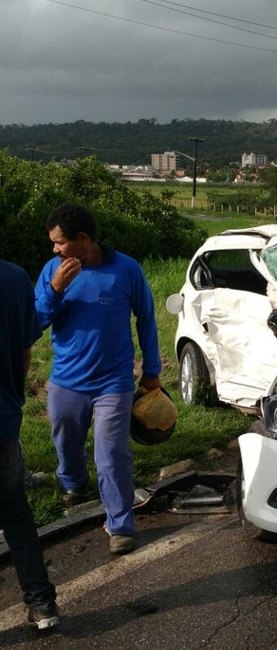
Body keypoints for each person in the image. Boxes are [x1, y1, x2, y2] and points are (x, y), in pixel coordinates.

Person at [34, 203, 162, 556]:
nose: (55, 249)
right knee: (66, 440)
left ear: (83, 239)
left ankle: (120, 525)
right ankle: (74, 483)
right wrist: (55, 290)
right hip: (66, 381)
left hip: (113, 383)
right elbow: (34, 324)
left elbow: (147, 319)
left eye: (60, 242)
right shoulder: (52, 271)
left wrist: (152, 371)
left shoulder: (126, 270)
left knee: (111, 455)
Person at [1, 258, 60, 629]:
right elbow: (25, 354)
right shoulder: (13, 276)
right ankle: (42, 605)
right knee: (16, 514)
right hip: (4, 420)